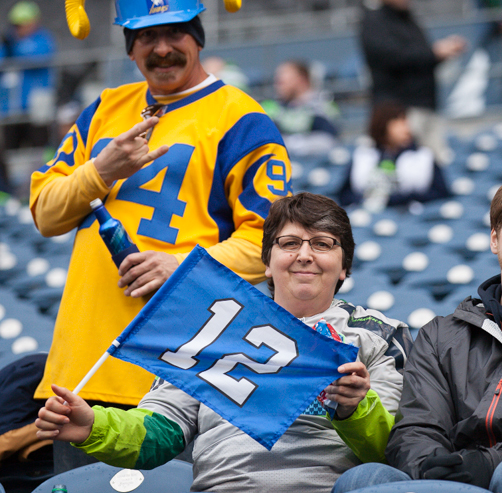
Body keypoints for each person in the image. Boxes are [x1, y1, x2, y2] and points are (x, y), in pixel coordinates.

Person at [29, 0, 293, 471]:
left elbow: (271, 242)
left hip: (175, 374)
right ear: (129, 44)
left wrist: (183, 267)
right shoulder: (102, 109)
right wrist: (101, 171)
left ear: (197, 35)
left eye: (175, 32)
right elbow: (46, 213)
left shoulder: (242, 119)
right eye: (146, 35)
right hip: (82, 367)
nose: (162, 47)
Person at [36, 192, 411, 493]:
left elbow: (392, 448)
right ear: (267, 261)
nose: (305, 255)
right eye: (289, 242)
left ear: (345, 266)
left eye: (323, 244)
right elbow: (159, 433)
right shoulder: (214, 324)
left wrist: (355, 407)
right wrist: (92, 426)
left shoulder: (378, 333)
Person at [333, 169, 502, 493]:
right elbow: (416, 429)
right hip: (452, 482)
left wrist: (488, 463)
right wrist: (431, 467)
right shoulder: (441, 336)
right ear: (494, 239)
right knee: (363, 481)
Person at [360, 0, 466, 164]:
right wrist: (433, 53)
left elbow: (419, 56)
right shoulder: (374, 20)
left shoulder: (405, 17)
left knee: (435, 168)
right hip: (399, 112)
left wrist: (440, 54)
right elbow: (391, 57)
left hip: (425, 106)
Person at [337, 102, 449, 211]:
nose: (406, 128)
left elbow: (441, 194)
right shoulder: (363, 156)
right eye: (399, 121)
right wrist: (367, 201)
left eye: (406, 121)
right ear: (384, 124)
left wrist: (401, 199)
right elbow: (345, 195)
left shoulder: (424, 156)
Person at [0, 0, 58, 147]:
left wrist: (12, 48)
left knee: (40, 146)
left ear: (33, 22)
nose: (18, 28)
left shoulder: (43, 40)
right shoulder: (8, 42)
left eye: (21, 24)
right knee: (10, 148)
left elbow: (36, 58)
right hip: (11, 108)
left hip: (37, 105)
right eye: (15, 25)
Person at [261, 60, 340, 157]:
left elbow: (329, 140)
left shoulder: (323, 106)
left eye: (281, 82)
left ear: (302, 80)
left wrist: (294, 144)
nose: (276, 85)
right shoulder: (271, 108)